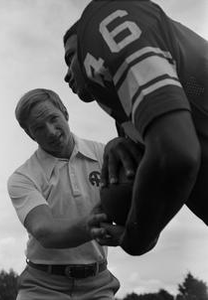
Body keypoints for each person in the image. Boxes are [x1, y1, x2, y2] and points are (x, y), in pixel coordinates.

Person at [63, 0, 208, 256]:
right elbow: (161, 195)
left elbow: (176, 155)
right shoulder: (128, 119)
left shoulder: (103, 24)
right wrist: (120, 213)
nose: (66, 74)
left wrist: (135, 238)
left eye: (70, 56)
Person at [7, 88, 120, 300]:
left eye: (53, 118)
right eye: (39, 128)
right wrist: (101, 226)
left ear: (65, 112)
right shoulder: (22, 177)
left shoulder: (105, 154)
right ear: (30, 134)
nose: (50, 131)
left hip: (98, 285)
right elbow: (46, 233)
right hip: (41, 287)